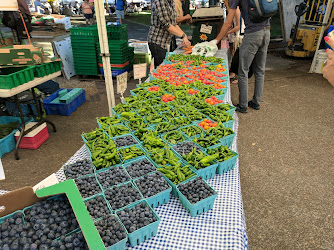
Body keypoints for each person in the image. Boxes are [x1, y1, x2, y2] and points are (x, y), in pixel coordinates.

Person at [214, 0, 270, 113]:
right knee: (260, 70)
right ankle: (256, 102)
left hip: (252, 35)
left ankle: (243, 105)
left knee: (243, 70)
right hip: (267, 32)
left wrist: (216, 40)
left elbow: (228, 23)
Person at [148, 0, 191, 67]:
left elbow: (173, 23)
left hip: (167, 42)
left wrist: (184, 36)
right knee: (162, 69)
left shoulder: (171, 2)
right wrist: (183, 36)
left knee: (168, 66)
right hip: (158, 41)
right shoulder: (160, 1)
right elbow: (166, 25)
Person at [223, 0, 241, 84]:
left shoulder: (236, 10)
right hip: (233, 37)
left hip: (238, 37)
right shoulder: (230, 9)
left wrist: (227, 32)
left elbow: (238, 27)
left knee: (238, 57)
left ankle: (240, 77)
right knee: (233, 55)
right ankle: (233, 73)